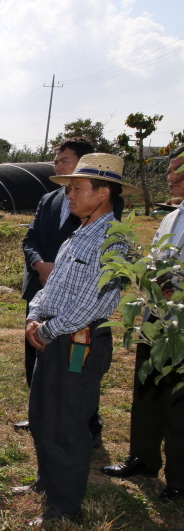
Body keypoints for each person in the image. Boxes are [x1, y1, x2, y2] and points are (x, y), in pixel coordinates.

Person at [22, 153, 139, 527]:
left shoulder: (113, 242)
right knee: (43, 415)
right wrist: (34, 315)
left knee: (67, 426)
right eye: (69, 188)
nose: (69, 195)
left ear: (103, 192)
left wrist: (47, 330)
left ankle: (65, 508)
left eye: (77, 188)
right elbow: (52, 285)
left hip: (79, 343)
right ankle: (48, 482)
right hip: (56, 336)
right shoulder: (79, 232)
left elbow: (94, 302)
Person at [17, 137, 116, 446]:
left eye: (65, 161)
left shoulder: (107, 231)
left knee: (73, 401)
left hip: (75, 332)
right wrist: (39, 267)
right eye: (56, 161)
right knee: (47, 386)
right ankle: (42, 419)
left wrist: (49, 329)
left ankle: (81, 433)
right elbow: (31, 238)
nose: (58, 166)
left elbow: (93, 299)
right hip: (47, 304)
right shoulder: (54, 204)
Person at [101, 145, 184, 501]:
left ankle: (179, 479)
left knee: (178, 401)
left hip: (180, 322)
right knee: (147, 388)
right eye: (170, 168)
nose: (171, 175)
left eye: (178, 169)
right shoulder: (170, 217)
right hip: (156, 316)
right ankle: (143, 457)